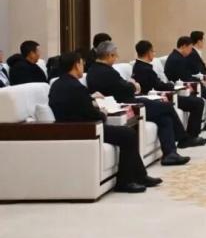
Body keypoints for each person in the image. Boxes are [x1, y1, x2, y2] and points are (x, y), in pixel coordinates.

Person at [49, 51, 162, 194]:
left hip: (71, 127)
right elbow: (92, 114)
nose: (83, 67)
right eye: (82, 64)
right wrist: (103, 113)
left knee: (127, 133)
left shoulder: (57, 85)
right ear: (76, 65)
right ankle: (125, 181)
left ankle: (140, 176)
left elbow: (77, 106)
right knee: (128, 134)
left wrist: (91, 100)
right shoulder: (76, 87)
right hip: (85, 129)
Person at [86, 41, 192, 166]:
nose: (117, 58)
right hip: (126, 104)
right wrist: (133, 85)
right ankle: (182, 138)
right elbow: (124, 87)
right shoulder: (105, 71)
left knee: (165, 118)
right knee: (167, 106)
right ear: (110, 55)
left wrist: (130, 85)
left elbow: (121, 85)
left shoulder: (94, 69)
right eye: (116, 55)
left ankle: (170, 154)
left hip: (128, 101)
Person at [132, 40, 206, 148]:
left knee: (196, 101)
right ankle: (190, 137)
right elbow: (158, 85)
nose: (154, 54)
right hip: (159, 97)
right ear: (148, 53)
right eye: (153, 51)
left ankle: (188, 137)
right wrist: (172, 86)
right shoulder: (144, 68)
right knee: (197, 103)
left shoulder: (140, 66)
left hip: (161, 95)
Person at [165, 36, 206, 130]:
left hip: (187, 84)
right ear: (183, 46)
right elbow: (185, 78)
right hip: (184, 88)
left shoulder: (178, 57)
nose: (191, 51)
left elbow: (187, 75)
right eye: (190, 48)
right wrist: (200, 82)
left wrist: (200, 80)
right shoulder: (177, 59)